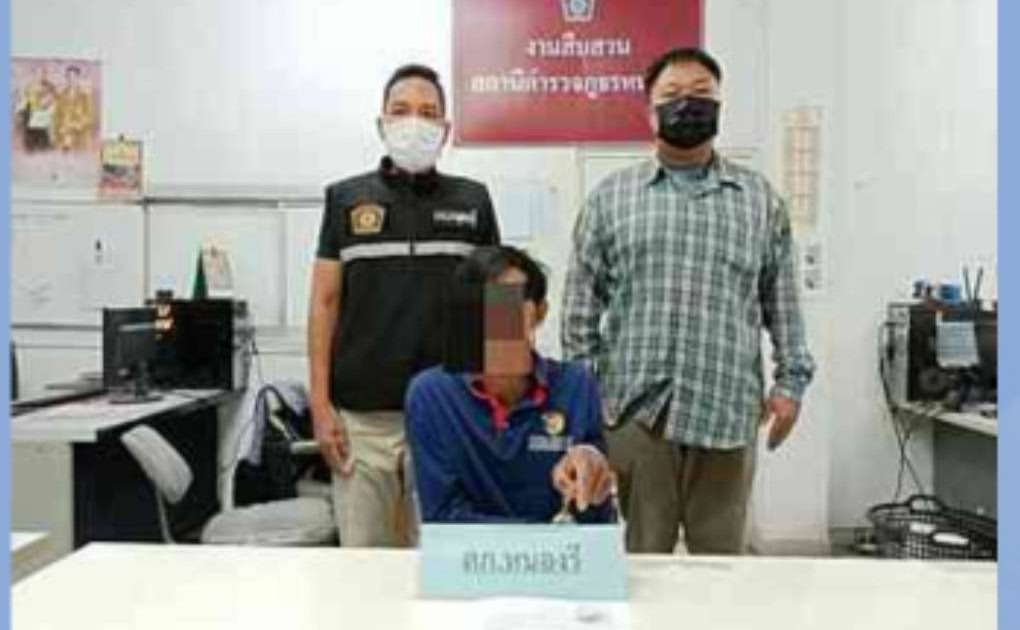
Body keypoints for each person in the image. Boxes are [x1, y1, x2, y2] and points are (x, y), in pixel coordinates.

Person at [561, 48, 815, 554]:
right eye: (672, 94)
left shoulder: (759, 201)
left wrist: (791, 383)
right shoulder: (611, 199)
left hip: (726, 410)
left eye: (701, 94)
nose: (688, 104)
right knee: (642, 561)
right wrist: (587, 408)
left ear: (720, 105)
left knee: (720, 566)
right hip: (636, 415)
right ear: (649, 110)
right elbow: (579, 316)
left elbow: (782, 302)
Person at [308, 64, 501, 546]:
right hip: (361, 420)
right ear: (382, 123)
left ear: (446, 129)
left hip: (449, 415)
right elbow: (324, 302)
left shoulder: (473, 200)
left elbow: (500, 306)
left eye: (428, 113)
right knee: (363, 565)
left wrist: (500, 408)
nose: (414, 122)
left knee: (440, 560)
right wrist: (320, 404)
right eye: (401, 110)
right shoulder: (345, 199)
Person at [406, 245, 614, 523]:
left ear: (539, 312)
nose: (496, 318)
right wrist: (536, 537)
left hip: (561, 548)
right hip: (477, 551)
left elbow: (593, 517)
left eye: (508, 304)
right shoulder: (432, 395)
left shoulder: (576, 385)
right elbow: (443, 516)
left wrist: (592, 479)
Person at [54, 64, 95, 152]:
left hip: (80, 139)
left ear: (78, 78)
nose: (71, 79)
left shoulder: (84, 97)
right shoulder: (61, 96)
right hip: (63, 139)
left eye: (73, 77)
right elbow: (56, 117)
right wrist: (59, 129)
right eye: (68, 77)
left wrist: (73, 125)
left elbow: (89, 118)